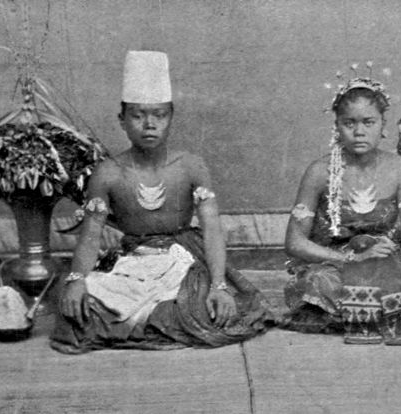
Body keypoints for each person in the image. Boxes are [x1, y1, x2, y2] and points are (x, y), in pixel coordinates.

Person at [51, 51, 273, 353]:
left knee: (201, 309)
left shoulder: (191, 166)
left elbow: (212, 231)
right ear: (122, 120)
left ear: (171, 117)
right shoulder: (108, 173)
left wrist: (219, 284)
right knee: (75, 311)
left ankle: (156, 319)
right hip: (131, 262)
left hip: (182, 258)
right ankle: (149, 320)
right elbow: (90, 237)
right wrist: (77, 279)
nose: (149, 124)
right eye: (138, 115)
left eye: (159, 115)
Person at [281, 73, 401, 345]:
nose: (359, 132)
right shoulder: (319, 172)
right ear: (337, 126)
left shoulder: (398, 168)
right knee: (320, 284)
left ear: (382, 125)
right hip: (335, 262)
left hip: (388, 258)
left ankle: (387, 317)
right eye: (349, 123)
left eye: (368, 122)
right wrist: (350, 259)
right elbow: (294, 242)